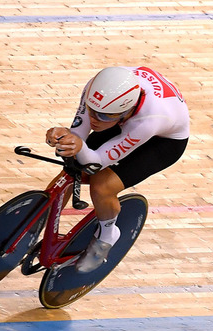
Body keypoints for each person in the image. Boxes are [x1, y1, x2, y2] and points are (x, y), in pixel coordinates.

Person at [46, 66, 189, 273]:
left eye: (103, 116)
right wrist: (65, 137)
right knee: (71, 170)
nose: (94, 119)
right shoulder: (98, 92)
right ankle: (40, 222)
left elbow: (96, 162)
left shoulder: (149, 121)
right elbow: (79, 134)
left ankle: (106, 236)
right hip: (123, 117)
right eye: (91, 111)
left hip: (164, 142)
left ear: (126, 113)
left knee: (101, 185)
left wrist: (78, 146)